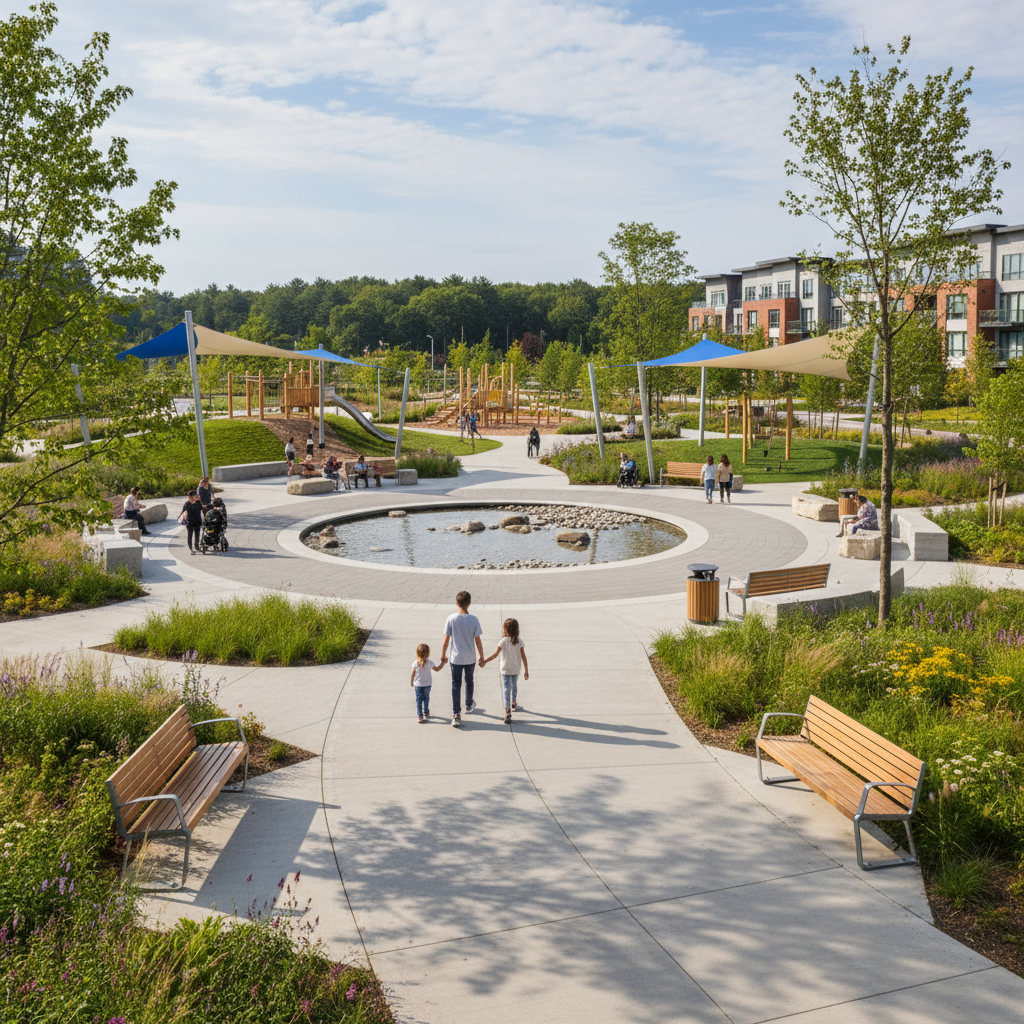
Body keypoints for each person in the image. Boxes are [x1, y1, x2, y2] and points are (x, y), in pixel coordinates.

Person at [441, 590, 484, 728]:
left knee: (456, 684)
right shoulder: (474, 619)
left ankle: (456, 713)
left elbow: (446, 640)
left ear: (457, 603)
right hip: (470, 657)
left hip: (456, 658)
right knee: (469, 681)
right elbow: (478, 641)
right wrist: (482, 656)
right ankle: (469, 703)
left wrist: (443, 655)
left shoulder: (451, 618)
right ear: (469, 603)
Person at [481, 618, 529, 725]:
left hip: (505, 670)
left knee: (506, 689)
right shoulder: (519, 642)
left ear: (505, 630)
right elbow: (524, 657)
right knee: (514, 686)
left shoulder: (503, 641)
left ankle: (507, 712)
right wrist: (526, 670)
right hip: (515, 669)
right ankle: (514, 703)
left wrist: (485, 661)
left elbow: (495, 654)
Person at [410, 643, 447, 723]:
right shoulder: (429, 662)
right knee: (426, 698)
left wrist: (411, 681)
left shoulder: (415, 663)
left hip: (418, 685)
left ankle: (420, 715)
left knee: (419, 700)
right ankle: (426, 711)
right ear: (428, 653)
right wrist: (443, 663)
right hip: (427, 684)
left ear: (417, 653)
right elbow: (437, 669)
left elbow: (413, 674)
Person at [179, 490, 204, 555]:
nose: (189, 497)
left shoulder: (198, 503)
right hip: (189, 522)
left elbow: (203, 510)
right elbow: (183, 511)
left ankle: (197, 547)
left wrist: (200, 500)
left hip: (197, 521)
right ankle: (191, 549)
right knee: (190, 535)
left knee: (197, 535)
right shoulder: (187, 503)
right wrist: (180, 518)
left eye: (190, 496)